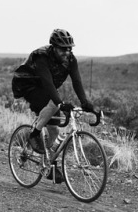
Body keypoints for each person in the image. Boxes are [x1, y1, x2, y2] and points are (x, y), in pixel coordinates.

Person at [11, 29, 94, 183]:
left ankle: (49, 165)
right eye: (63, 48)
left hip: (45, 87)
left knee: (54, 129)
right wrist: (60, 103)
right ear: (54, 47)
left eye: (70, 48)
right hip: (27, 84)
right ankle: (34, 134)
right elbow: (47, 82)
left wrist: (85, 102)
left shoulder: (71, 60)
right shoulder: (42, 57)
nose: (67, 52)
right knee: (54, 104)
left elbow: (77, 82)